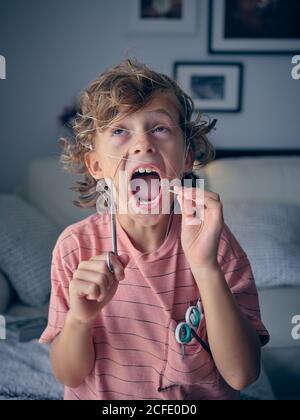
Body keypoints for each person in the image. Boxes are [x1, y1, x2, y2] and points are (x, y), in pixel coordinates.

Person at [40, 58, 269, 400]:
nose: (143, 144)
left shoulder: (216, 244)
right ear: (96, 164)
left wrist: (206, 268)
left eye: (160, 128)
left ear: (187, 157)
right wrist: (79, 320)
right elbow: (68, 374)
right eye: (119, 130)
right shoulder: (76, 247)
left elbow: (241, 375)